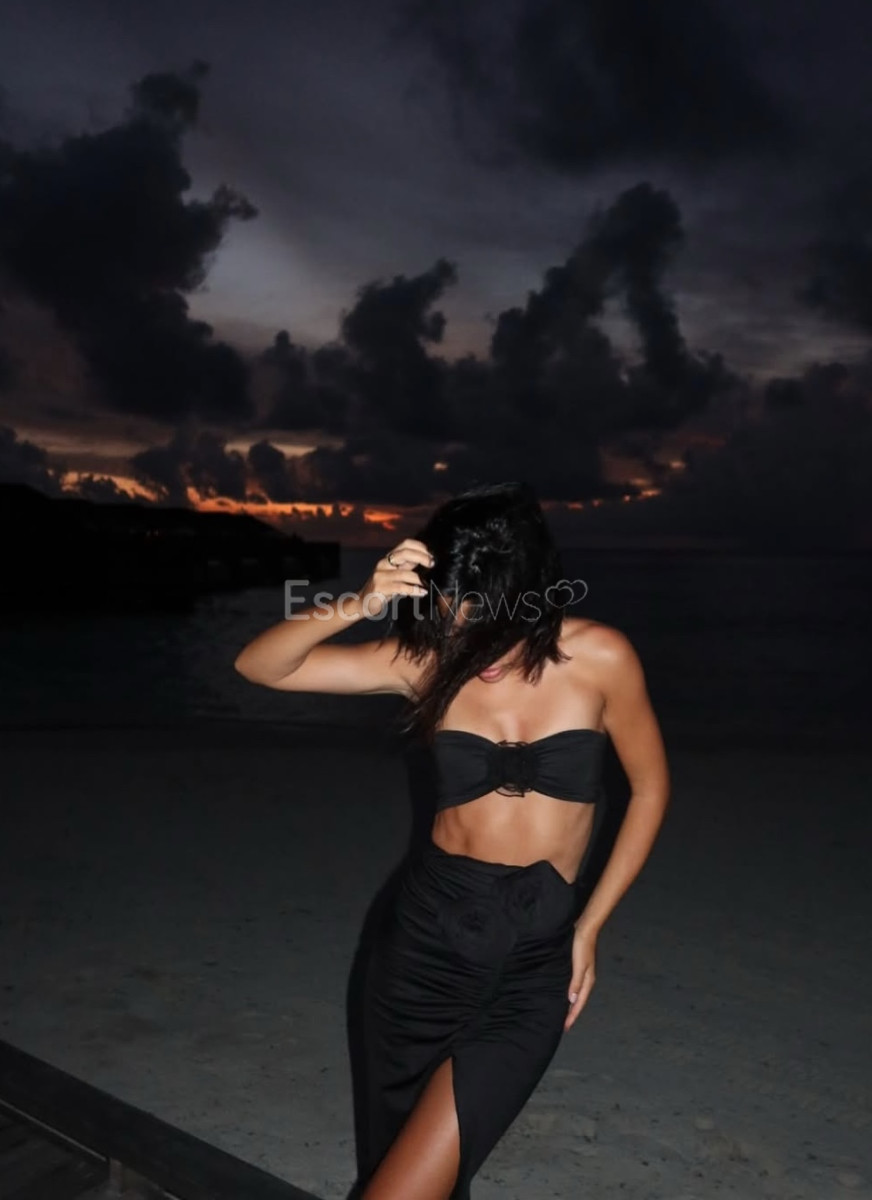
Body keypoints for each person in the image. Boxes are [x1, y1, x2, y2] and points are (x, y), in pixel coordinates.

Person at [234, 481, 671, 1200]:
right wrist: (359, 605)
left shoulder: (602, 658)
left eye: (491, 624)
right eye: (451, 617)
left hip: (534, 963)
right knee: (408, 1172)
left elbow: (650, 790)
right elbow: (260, 666)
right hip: (421, 952)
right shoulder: (421, 661)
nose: (473, 646)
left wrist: (590, 927)